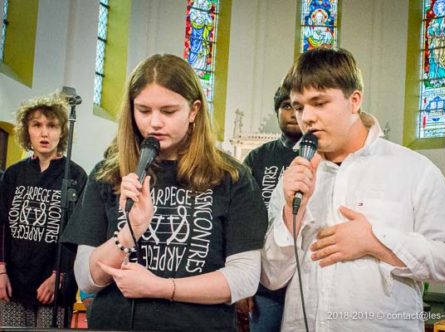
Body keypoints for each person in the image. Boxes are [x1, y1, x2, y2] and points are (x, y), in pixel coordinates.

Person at [260, 47, 445, 331]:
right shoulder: (295, 176)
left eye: (319, 103)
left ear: (354, 101)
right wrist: (290, 212)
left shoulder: (414, 169)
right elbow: (272, 276)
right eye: (298, 107)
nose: (306, 117)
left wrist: (375, 242)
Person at [61, 54, 268, 331]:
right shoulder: (108, 173)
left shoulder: (232, 177)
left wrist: (161, 287)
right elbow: (87, 279)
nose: (154, 123)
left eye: (168, 111)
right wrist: (129, 232)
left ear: (194, 110)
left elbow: (244, 278)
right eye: (144, 111)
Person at [0, 93, 87, 328]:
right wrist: (1, 272)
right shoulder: (13, 174)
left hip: (54, 286)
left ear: (62, 132)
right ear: (26, 130)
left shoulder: (75, 176)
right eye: (36, 125)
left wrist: (58, 276)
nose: (44, 133)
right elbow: (2, 226)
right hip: (13, 283)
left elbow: (76, 234)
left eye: (52, 125)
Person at [236, 81, 302, 332]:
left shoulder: (320, 155)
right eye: (287, 106)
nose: (294, 113)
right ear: (277, 111)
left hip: (304, 276)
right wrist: (244, 282)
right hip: (264, 279)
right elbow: (243, 221)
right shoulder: (257, 157)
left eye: (299, 107)